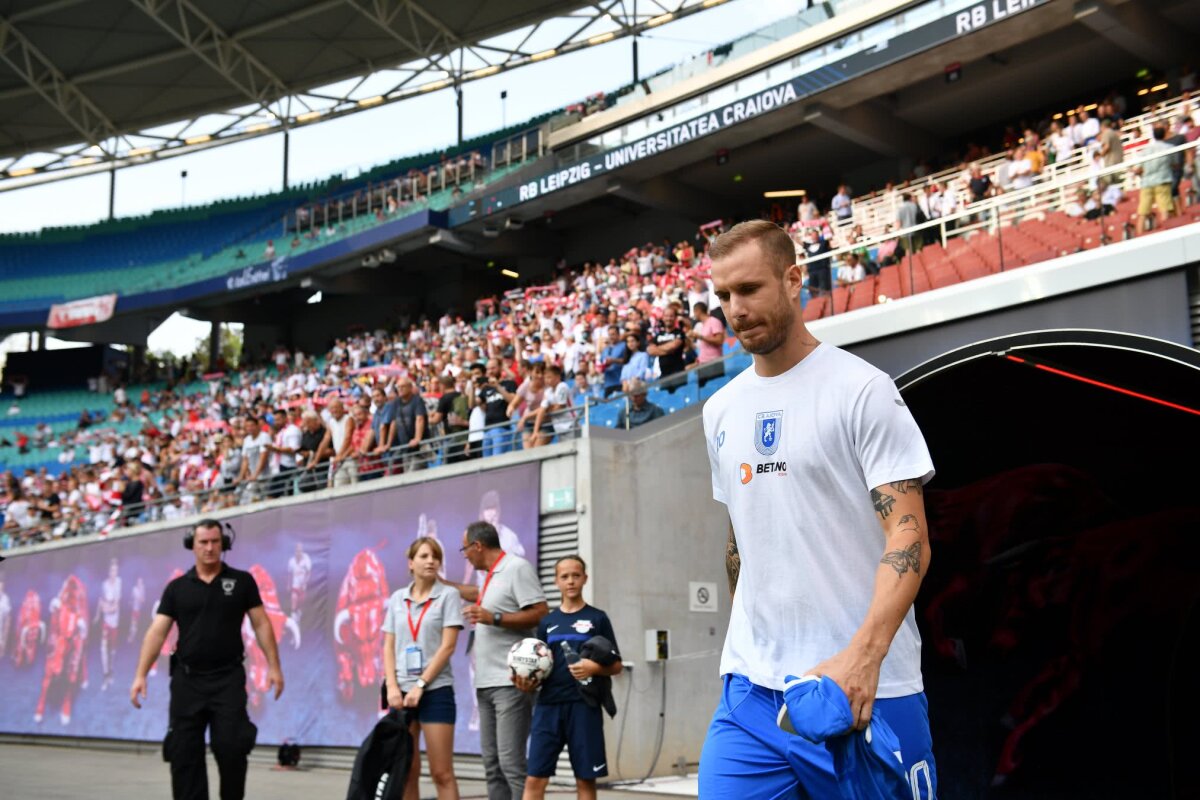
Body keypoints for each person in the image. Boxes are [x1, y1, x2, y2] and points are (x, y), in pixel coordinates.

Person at [697, 220, 937, 798]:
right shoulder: (720, 411)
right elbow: (740, 543)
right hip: (751, 699)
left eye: (750, 289)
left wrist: (863, 658)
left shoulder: (862, 390)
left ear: (793, 278)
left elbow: (909, 537)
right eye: (724, 296)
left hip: (865, 691)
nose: (735, 309)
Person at [130, 520, 285, 800]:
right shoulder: (177, 588)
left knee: (233, 747)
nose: (210, 548)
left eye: (215, 542)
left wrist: (274, 667)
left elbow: (261, 624)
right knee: (184, 753)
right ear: (193, 545)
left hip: (227, 679)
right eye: (203, 542)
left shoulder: (241, 582)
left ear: (223, 544)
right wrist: (140, 674)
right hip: (187, 681)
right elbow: (157, 632)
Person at [443, 521, 548, 800]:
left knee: (511, 764)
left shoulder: (516, 568)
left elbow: (540, 612)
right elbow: (476, 594)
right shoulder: (490, 575)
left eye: (465, 549)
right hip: (485, 682)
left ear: (478, 546)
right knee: (492, 765)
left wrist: (495, 618)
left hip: (510, 682)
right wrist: (442, 584)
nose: (464, 554)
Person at [515, 555, 622, 800]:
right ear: (556, 581)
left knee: (585, 780)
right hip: (548, 707)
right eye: (564, 576)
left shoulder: (598, 619)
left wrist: (593, 668)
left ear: (585, 578)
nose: (571, 581)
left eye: (576, 575)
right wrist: (527, 682)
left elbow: (616, 665)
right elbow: (539, 665)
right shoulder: (547, 622)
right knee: (534, 779)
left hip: (584, 707)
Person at [382, 537, 463, 800]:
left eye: (435, 557)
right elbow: (388, 646)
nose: (431, 561)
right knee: (406, 770)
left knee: (442, 773)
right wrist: (393, 687)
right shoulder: (397, 599)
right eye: (425, 556)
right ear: (411, 563)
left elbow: (448, 647)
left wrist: (420, 685)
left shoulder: (448, 595)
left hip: (435, 691)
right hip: (400, 693)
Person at [95, 557, 122, 691]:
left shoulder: (119, 583)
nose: (114, 572)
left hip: (114, 622)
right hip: (106, 621)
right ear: (109, 571)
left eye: (116, 570)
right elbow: (101, 602)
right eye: (112, 570)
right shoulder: (104, 584)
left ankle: (111, 672)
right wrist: (101, 611)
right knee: (103, 647)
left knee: (112, 650)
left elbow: (115, 606)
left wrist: (108, 607)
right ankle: (105, 675)